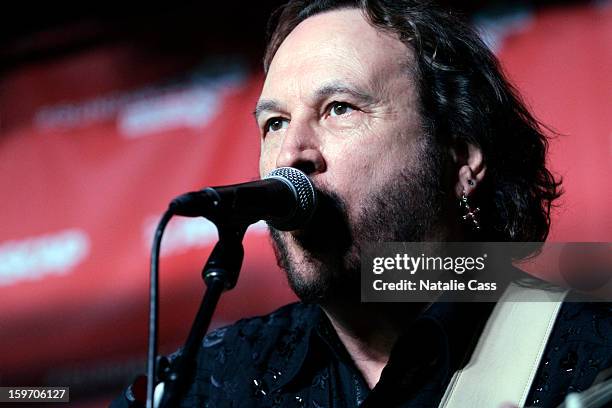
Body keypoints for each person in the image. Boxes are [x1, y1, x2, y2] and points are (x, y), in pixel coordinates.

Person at [113, 1, 611, 407]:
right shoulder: (214, 380)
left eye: (339, 109)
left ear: (462, 158)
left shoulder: (589, 354)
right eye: (276, 123)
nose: (291, 155)